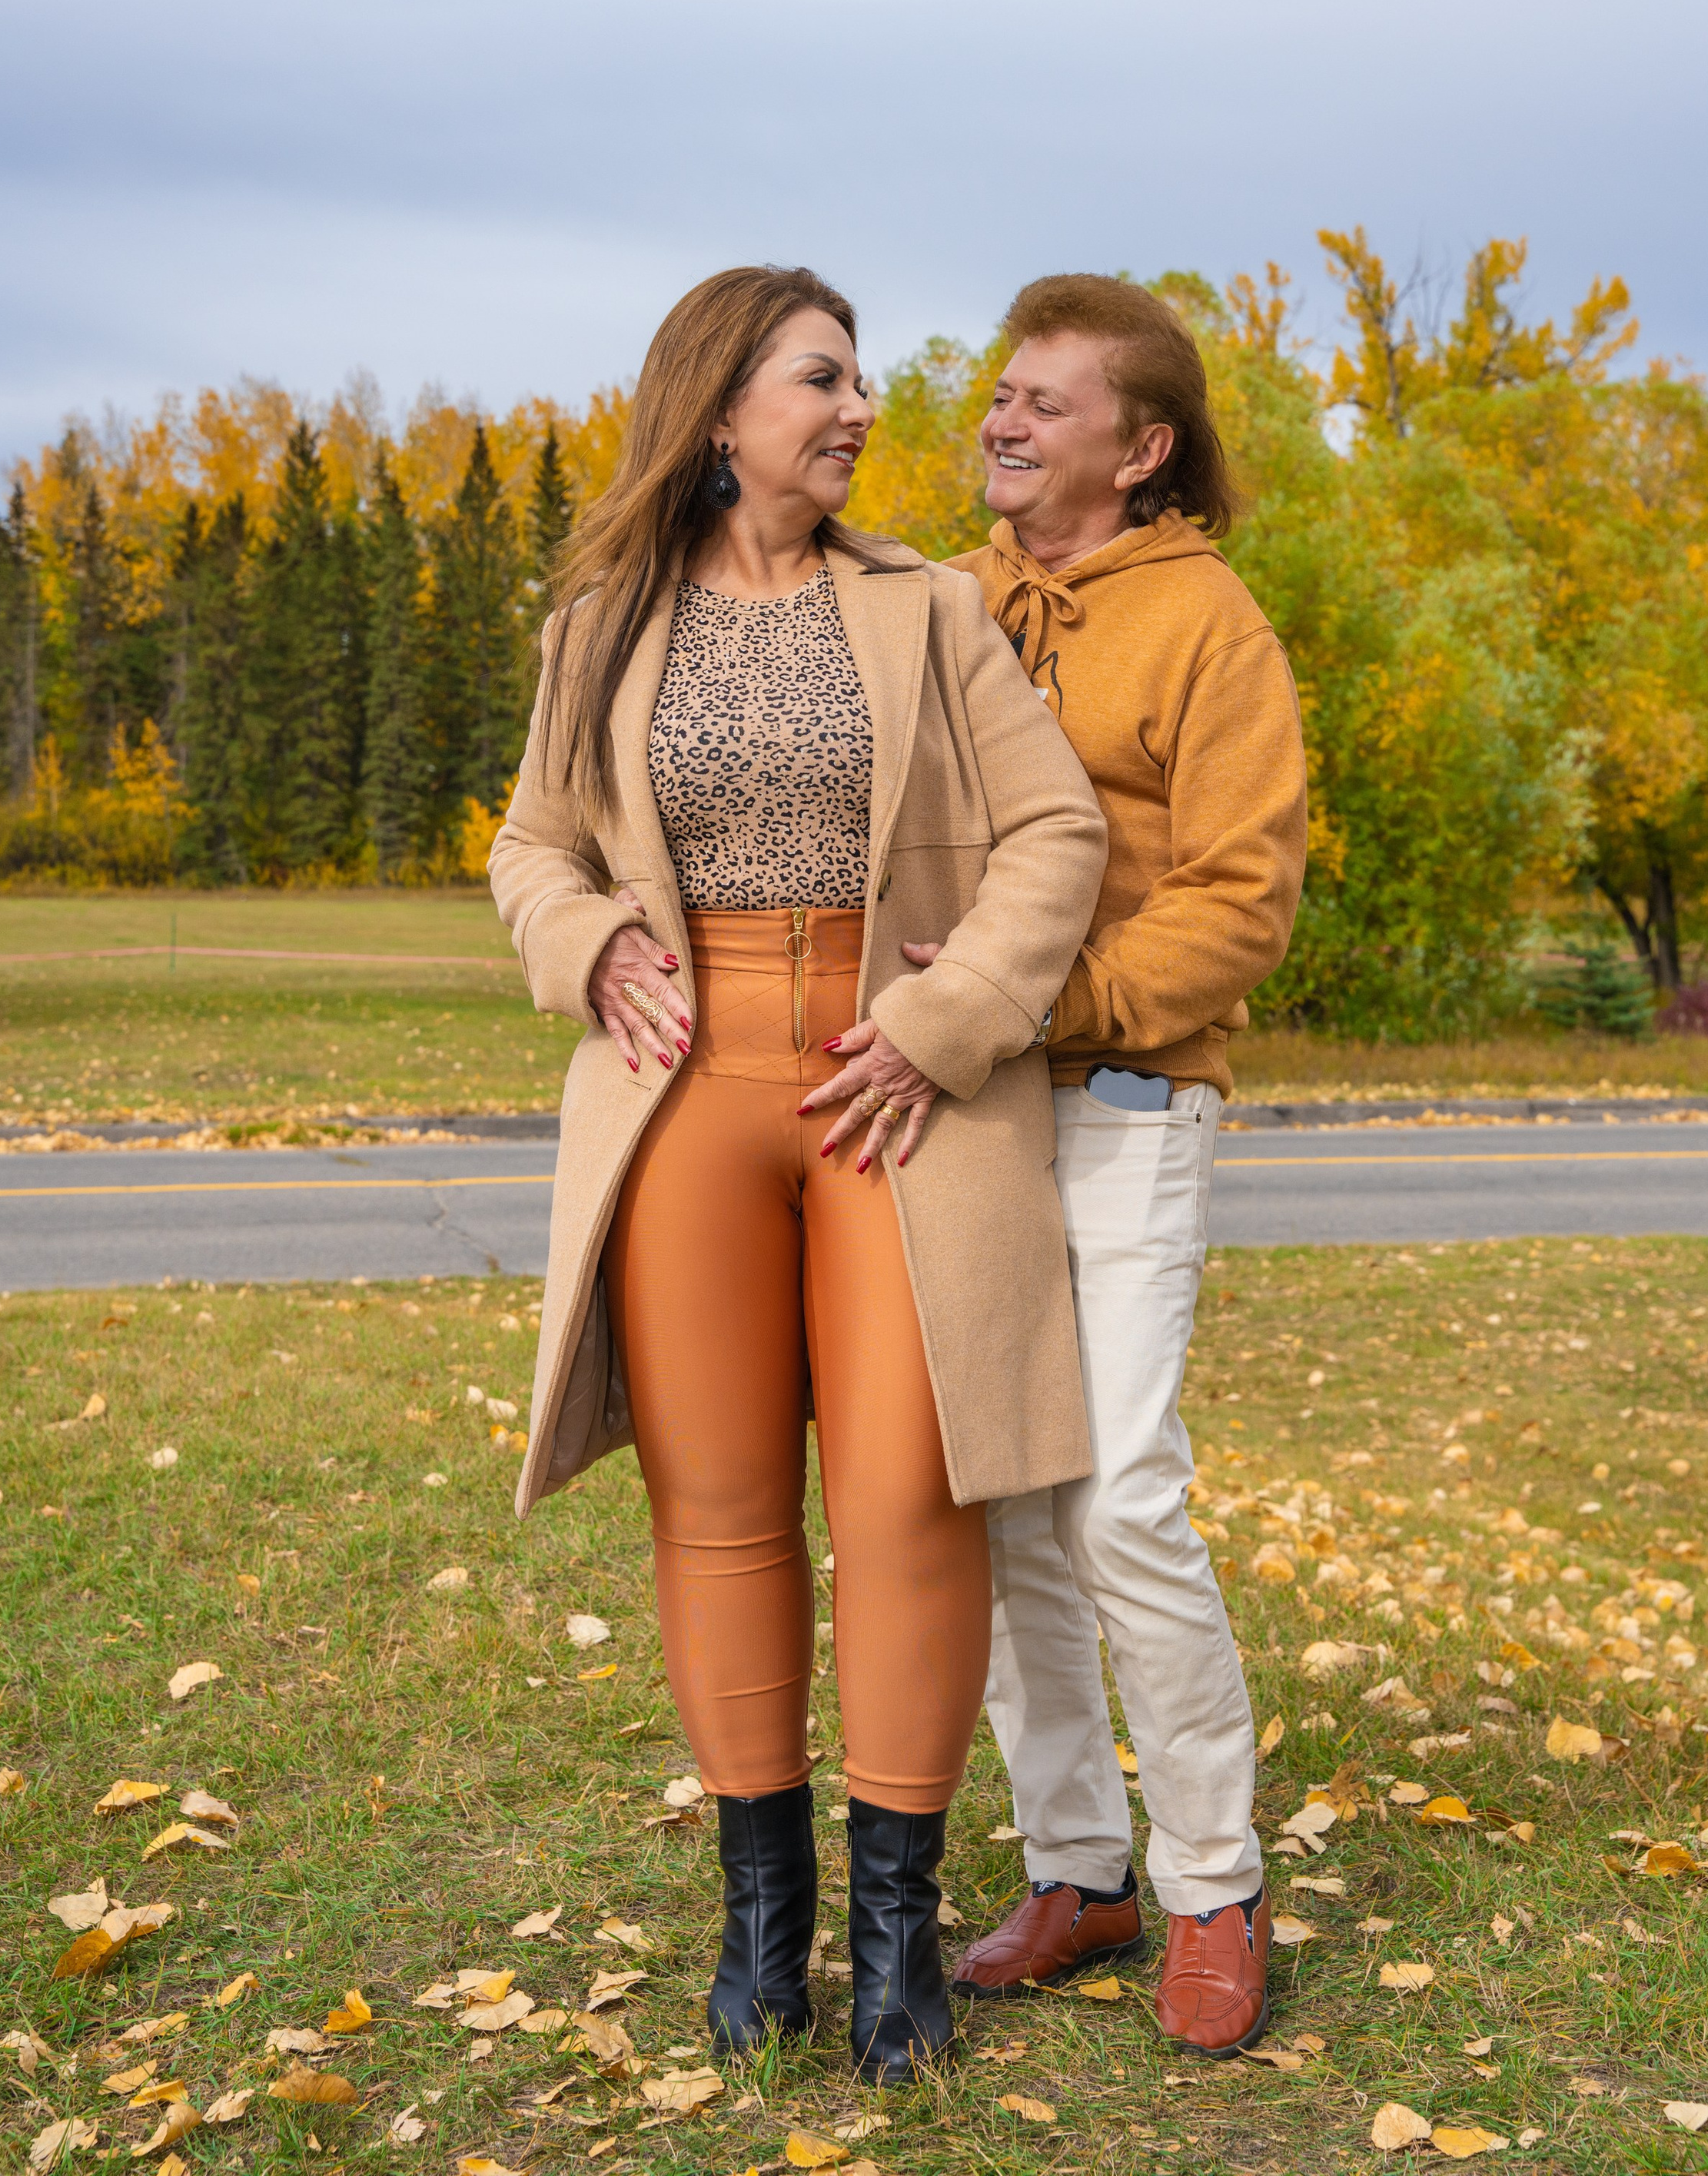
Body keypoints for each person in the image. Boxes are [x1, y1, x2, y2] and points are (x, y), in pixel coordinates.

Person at [489, 264, 1108, 2082]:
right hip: (682, 1093)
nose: (855, 412)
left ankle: (896, 1940)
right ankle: (763, 1930)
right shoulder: (604, 616)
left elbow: (1052, 831)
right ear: (718, 402)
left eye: (860, 385)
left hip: (893, 1092)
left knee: (914, 1496)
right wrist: (587, 938)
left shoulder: (922, 610)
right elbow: (532, 842)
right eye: (820, 380)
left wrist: (955, 1017)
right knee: (720, 1502)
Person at [934, 273, 1308, 2057]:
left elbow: (1242, 901)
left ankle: (1213, 1883)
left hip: (1129, 1100)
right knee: (1006, 1495)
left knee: (1119, 1495)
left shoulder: (1207, 626)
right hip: (968, 1108)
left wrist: (1040, 1000)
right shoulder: (946, 602)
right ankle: (1076, 1867)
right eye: (999, 395)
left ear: (1140, 449)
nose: (999, 420)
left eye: (1043, 403)